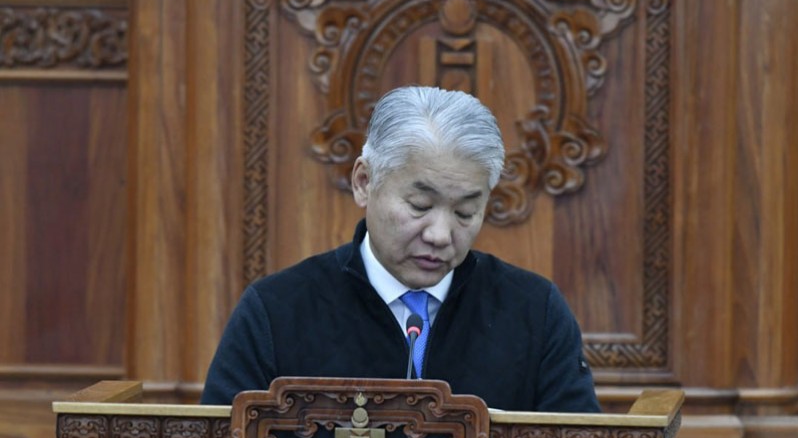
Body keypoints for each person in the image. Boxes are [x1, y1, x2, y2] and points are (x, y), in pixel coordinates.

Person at [201, 86, 600, 413]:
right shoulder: (276, 311)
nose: (440, 235)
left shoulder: (533, 311)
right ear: (364, 182)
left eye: (465, 212)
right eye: (420, 206)